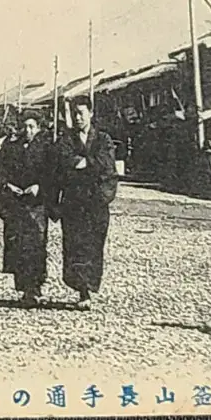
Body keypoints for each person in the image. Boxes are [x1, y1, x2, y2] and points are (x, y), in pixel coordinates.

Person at [56, 98, 119, 310]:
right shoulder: (66, 139)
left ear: (91, 113)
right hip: (73, 203)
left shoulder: (103, 139)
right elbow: (63, 162)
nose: (77, 117)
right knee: (74, 246)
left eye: (81, 112)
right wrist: (83, 164)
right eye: (74, 113)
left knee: (93, 246)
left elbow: (107, 165)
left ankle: (90, 287)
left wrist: (85, 163)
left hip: (95, 203)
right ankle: (81, 291)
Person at [0, 111, 54, 305]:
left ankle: (36, 286)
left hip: (36, 204)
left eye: (32, 127)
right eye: (25, 127)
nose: (28, 131)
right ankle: (25, 288)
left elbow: (54, 173)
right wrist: (7, 186)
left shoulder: (46, 148)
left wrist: (39, 186)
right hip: (16, 204)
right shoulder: (10, 148)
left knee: (38, 244)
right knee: (18, 245)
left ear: (39, 128)